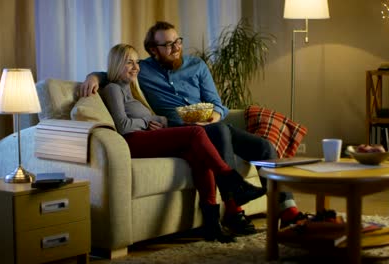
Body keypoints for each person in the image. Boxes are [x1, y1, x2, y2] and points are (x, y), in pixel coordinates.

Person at [80, 21, 310, 233]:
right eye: (168, 44)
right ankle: (232, 208)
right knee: (218, 132)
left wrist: (213, 117)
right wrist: (93, 77)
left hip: (210, 123)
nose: (176, 48)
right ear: (153, 49)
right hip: (181, 131)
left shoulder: (196, 65)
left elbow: (218, 104)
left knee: (264, 148)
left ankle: (289, 211)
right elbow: (114, 71)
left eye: (177, 41)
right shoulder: (143, 69)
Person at [99, 43, 267, 243]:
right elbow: (123, 126)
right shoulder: (112, 89)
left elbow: (158, 120)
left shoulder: (134, 90)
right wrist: (147, 122)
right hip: (132, 142)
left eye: (137, 62)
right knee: (195, 132)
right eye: (129, 62)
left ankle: (212, 225)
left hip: (144, 137)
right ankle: (234, 181)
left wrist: (158, 121)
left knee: (198, 157)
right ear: (117, 64)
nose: (136, 67)